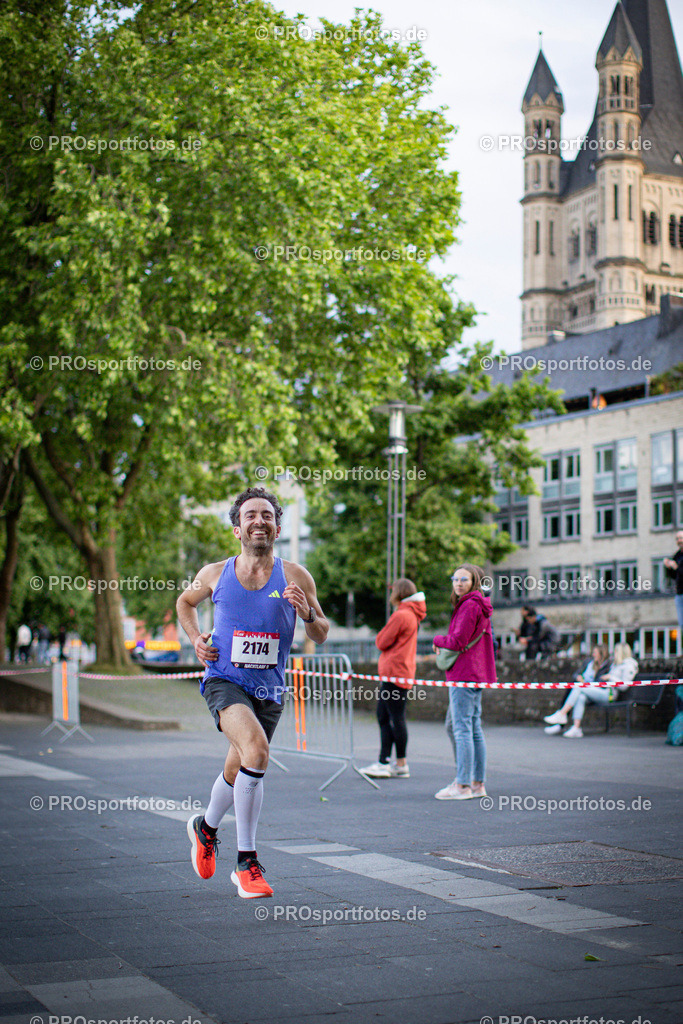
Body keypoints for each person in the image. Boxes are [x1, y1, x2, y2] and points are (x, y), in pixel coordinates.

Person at [176, 486, 329, 899]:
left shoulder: (296, 575)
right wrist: (195, 639)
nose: (258, 521)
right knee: (258, 753)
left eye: (266, 515)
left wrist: (307, 613)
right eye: (250, 515)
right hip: (224, 679)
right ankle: (246, 863)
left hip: (269, 689)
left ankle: (204, 829)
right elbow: (184, 602)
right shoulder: (213, 572)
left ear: (277, 527)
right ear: (236, 528)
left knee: (240, 767)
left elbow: (322, 631)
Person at [433, 563, 496, 800]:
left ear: (474, 582)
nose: (458, 583)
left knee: (462, 729)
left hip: (464, 673)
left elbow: (458, 641)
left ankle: (462, 785)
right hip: (476, 673)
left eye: (464, 579)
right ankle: (476, 783)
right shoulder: (479, 604)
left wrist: (438, 639)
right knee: (469, 728)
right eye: (455, 579)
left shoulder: (469, 605)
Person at [360, 578, 426, 779]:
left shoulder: (402, 615)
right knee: (387, 716)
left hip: (394, 672)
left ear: (399, 593)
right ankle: (391, 762)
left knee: (393, 718)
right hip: (400, 671)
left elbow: (381, 641)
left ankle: (393, 763)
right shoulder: (413, 614)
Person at [543, 642, 638, 738]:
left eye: (616, 651)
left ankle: (562, 713)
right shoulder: (616, 664)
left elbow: (624, 686)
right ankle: (576, 728)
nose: (614, 653)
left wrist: (611, 677)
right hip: (604, 691)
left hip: (609, 694)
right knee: (581, 697)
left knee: (579, 687)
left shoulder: (628, 665)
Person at [543, 644, 610, 735]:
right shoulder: (589, 662)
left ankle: (562, 714)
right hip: (585, 690)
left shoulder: (607, 666)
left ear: (601, 654)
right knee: (577, 692)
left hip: (596, 691)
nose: (593, 654)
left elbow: (600, 683)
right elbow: (576, 674)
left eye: (595, 653)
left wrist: (586, 683)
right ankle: (576, 727)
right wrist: (579, 677)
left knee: (577, 687)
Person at [663, 530, 683, 633]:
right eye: (677, 539)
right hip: (679, 593)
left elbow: (679, 570)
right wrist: (669, 568)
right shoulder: (677, 555)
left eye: (681, 538)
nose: (679, 541)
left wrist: (676, 567)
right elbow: (674, 576)